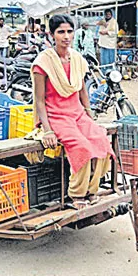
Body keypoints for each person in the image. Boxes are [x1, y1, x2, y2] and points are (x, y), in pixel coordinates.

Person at [32, 14, 114, 205]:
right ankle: (77, 194)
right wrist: (48, 130)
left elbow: (82, 91)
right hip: (56, 117)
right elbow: (39, 101)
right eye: (61, 32)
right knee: (82, 148)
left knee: (101, 142)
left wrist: (90, 116)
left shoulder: (77, 59)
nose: (66, 36)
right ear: (52, 34)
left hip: (77, 114)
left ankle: (91, 189)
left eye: (69, 31)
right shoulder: (42, 62)